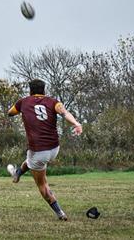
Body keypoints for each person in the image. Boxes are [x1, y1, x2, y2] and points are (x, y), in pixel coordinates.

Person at [7, 79, 83, 221]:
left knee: (42, 184)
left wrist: (20, 109)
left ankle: (60, 213)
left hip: (38, 151)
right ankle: (17, 173)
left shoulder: (23, 102)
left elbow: (10, 113)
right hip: (54, 148)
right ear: (44, 90)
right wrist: (76, 124)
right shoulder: (54, 102)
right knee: (29, 159)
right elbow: (65, 113)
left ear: (30, 90)